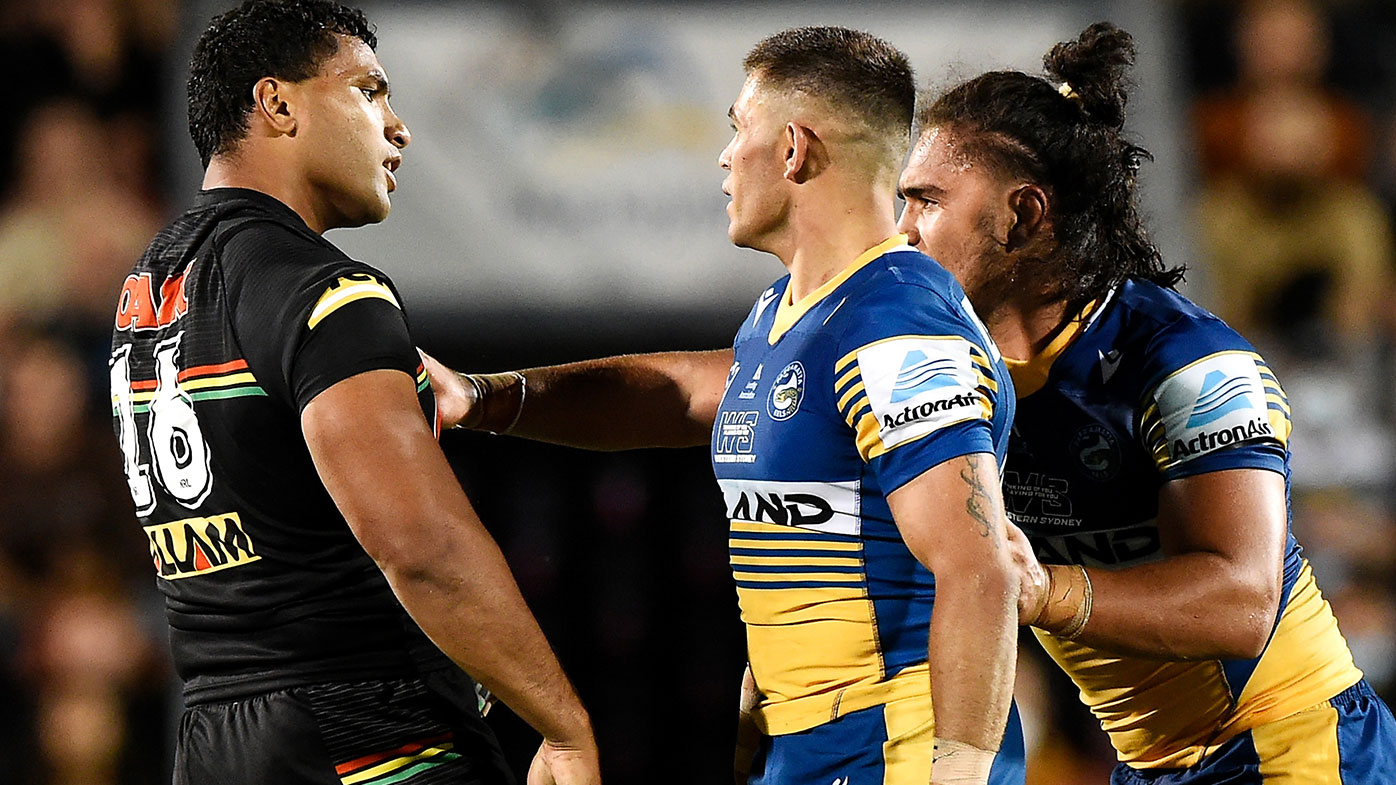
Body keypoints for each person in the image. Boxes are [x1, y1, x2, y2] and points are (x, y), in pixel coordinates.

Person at [427, 26, 1026, 785]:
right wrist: (486, 398)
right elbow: (678, 393)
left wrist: (959, 772)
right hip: (807, 746)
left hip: (894, 748)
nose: (723, 155)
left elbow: (979, 571)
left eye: (738, 127)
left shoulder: (897, 322)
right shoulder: (791, 315)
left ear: (793, 149)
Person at [893, 21, 1396, 784]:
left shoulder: (1190, 364)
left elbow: (1243, 601)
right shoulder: (944, 365)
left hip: (1293, 748)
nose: (902, 230)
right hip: (1148, 763)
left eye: (926, 201)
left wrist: (1048, 589)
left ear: (1025, 215)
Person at [108, 2, 598, 784]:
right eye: (370, 91)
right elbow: (420, 544)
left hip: (211, 743)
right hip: (367, 734)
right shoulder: (324, 290)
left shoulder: (151, 285)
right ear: (277, 103)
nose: (398, 127)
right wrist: (563, 725)